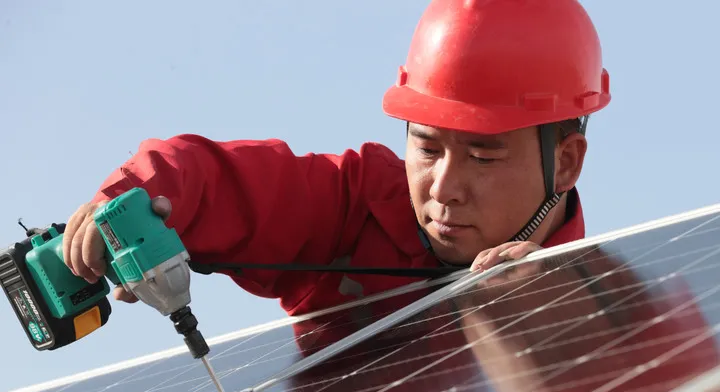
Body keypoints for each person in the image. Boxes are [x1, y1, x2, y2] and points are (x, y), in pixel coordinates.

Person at [61, 0, 611, 319]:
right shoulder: (355, 208)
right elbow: (217, 179)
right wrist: (129, 202)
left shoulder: (607, 312)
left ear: (565, 162)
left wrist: (547, 320)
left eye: (483, 157)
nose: (443, 188)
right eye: (426, 147)